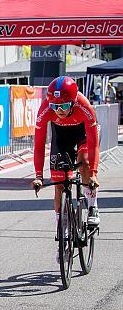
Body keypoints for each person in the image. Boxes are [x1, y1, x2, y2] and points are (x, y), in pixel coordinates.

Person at [32, 76, 100, 265]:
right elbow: (38, 146)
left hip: (82, 135)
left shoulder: (84, 106)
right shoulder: (45, 108)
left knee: (84, 162)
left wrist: (93, 173)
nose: (59, 111)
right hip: (61, 138)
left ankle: (93, 206)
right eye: (55, 106)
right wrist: (38, 176)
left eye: (63, 106)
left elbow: (94, 144)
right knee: (59, 186)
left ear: (74, 101)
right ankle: (62, 234)